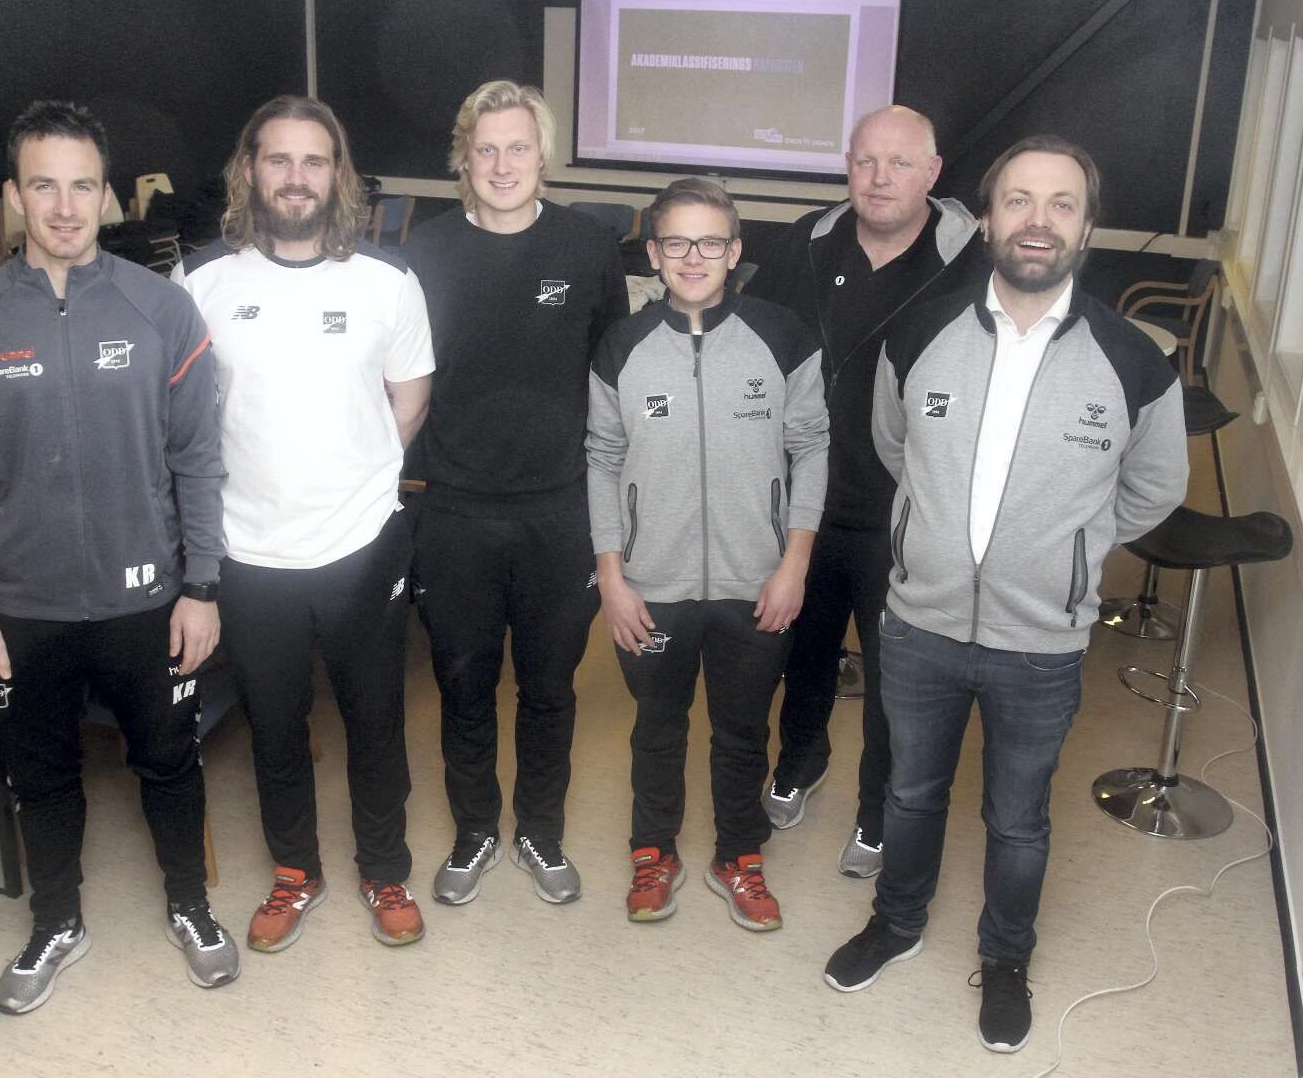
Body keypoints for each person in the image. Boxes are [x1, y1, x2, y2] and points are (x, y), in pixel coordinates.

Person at [822, 135, 1188, 1053]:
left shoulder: (1132, 360)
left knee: (1017, 818)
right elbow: (894, 445)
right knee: (909, 793)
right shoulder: (918, 332)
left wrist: (1070, 548)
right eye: (1018, 199)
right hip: (920, 624)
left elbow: (1154, 486)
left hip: (1041, 642)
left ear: (1087, 227)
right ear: (986, 218)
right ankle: (896, 923)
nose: (1037, 220)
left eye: (1061, 203)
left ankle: (1005, 958)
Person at [0, 100, 238, 1014]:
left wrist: (201, 585)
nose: (64, 207)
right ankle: (56, 921)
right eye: (44, 186)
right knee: (41, 775)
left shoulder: (161, 308)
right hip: (25, 606)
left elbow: (197, 459)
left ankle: (190, 904)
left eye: (82, 186)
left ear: (107, 195)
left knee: (169, 761)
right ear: (15, 195)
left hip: (149, 595)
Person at [172, 96, 434, 952]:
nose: (295, 176)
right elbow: (185, 421)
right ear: (249, 170)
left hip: (361, 546)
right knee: (276, 726)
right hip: (248, 554)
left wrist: (352, 473)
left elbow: (409, 398)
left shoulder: (387, 281)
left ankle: (384, 867)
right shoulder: (200, 283)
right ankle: (295, 870)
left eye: (313, 160)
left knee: (374, 721)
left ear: (336, 175)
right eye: (278, 159)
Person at [400, 81, 627, 906]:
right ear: (463, 158)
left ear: (543, 155)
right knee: (462, 684)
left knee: (549, 688)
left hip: (557, 512)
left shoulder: (587, 247)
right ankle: (474, 832)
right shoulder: (423, 254)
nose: (502, 165)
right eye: (486, 149)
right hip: (453, 510)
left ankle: (539, 830)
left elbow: (611, 376)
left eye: (518, 147)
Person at [586, 178, 830, 931]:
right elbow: (601, 457)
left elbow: (811, 446)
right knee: (656, 725)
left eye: (710, 242)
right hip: (650, 583)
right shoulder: (622, 345)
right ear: (654, 254)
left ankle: (739, 854)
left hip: (756, 581)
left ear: (735, 251)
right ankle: (652, 850)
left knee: (742, 728)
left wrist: (793, 565)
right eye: (677, 242)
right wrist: (611, 578)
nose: (693, 257)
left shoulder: (781, 335)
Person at [745, 105, 981, 880]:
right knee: (803, 650)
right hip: (804, 506)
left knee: (893, 677)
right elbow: (755, 339)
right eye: (865, 161)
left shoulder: (970, 263)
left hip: (907, 513)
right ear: (846, 166)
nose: (879, 179)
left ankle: (877, 809)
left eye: (899, 163)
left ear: (932, 172)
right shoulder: (805, 244)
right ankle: (799, 759)